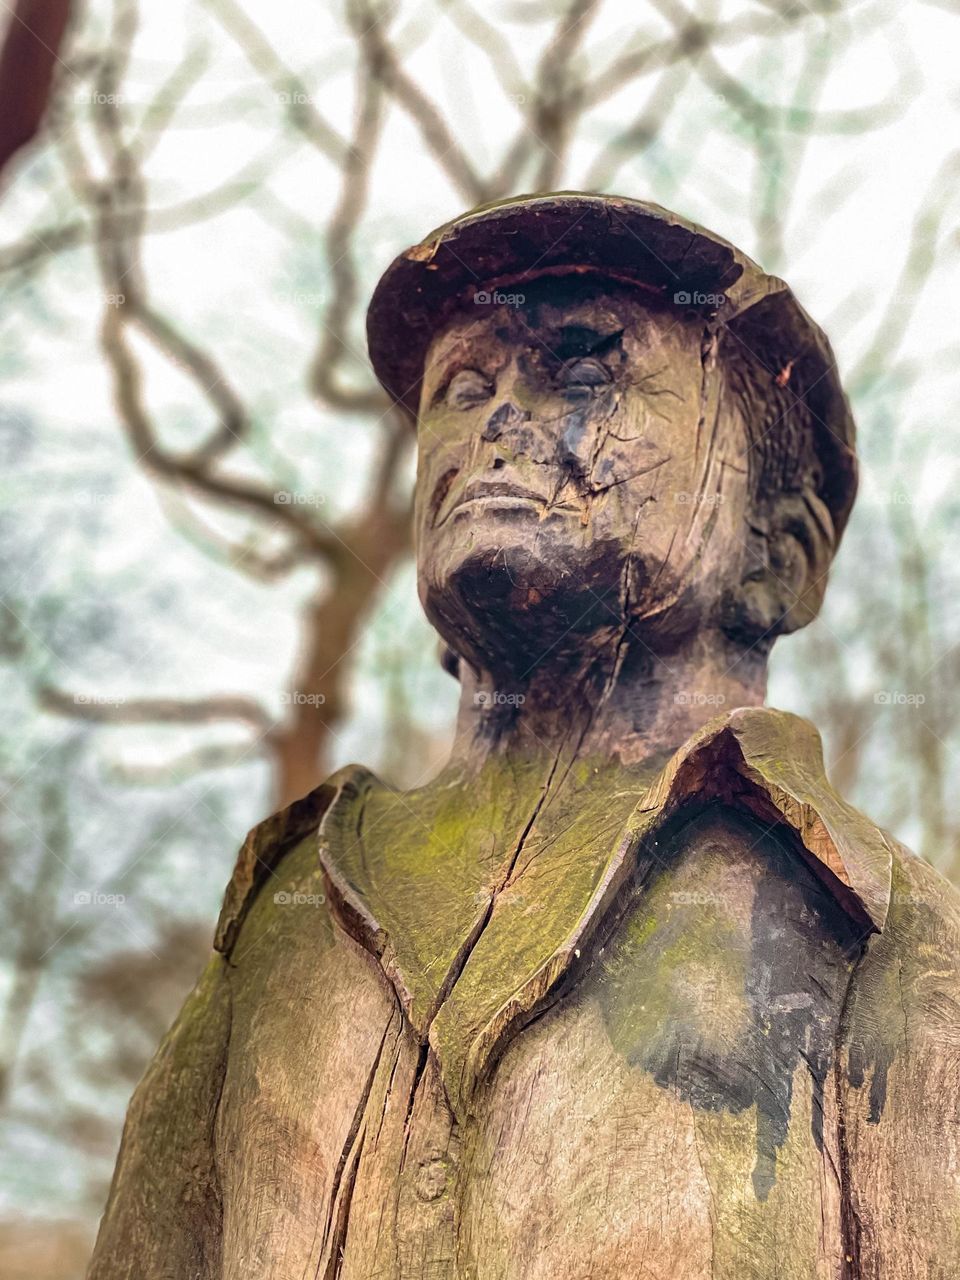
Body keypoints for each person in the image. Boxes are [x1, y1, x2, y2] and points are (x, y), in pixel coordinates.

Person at [88, 194, 960, 1280]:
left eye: (585, 375)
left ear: (782, 553)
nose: (495, 425)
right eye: (463, 387)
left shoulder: (892, 933)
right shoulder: (280, 920)